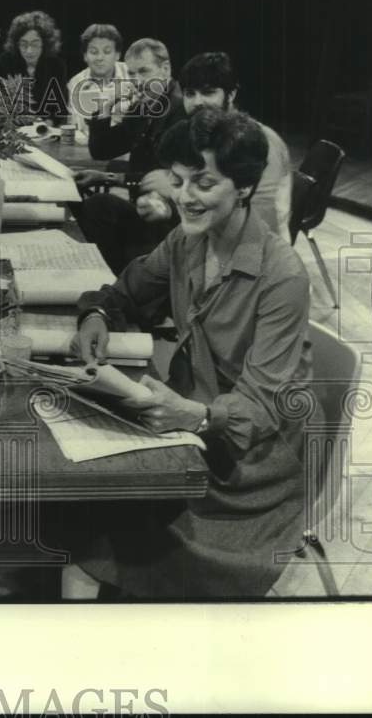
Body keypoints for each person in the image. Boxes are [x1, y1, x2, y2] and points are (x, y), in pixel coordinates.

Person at [69, 107, 312, 599]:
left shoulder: (282, 275)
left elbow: (263, 407)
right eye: (178, 181)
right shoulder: (185, 240)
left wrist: (195, 416)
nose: (184, 197)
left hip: (247, 465)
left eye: (204, 183)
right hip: (187, 427)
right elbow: (126, 292)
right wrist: (96, 315)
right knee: (81, 508)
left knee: (95, 541)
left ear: (243, 187)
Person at [72, 37, 187, 278]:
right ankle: (111, 278)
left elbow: (161, 178)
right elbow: (102, 150)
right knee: (78, 201)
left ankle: (115, 280)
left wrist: (111, 178)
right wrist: (105, 107)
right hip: (144, 207)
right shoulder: (143, 105)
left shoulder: (181, 109)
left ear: (165, 69)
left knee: (98, 207)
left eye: (144, 71)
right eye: (132, 74)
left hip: (171, 216)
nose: (138, 81)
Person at [178, 51, 292, 237]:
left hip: (255, 244)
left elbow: (263, 218)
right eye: (190, 94)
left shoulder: (261, 141)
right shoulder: (203, 135)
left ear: (231, 94)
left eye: (208, 92)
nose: (197, 102)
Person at [0, 10, 68, 124]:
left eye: (35, 44)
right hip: (13, 127)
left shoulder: (57, 65)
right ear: (17, 44)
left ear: (45, 44)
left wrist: (46, 125)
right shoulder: (4, 62)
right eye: (24, 44)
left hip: (46, 128)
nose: (29, 51)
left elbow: (60, 107)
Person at [66, 23, 132, 138]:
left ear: (117, 55)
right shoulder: (75, 83)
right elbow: (77, 127)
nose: (100, 58)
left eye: (107, 52)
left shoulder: (132, 74)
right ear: (85, 56)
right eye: (94, 52)